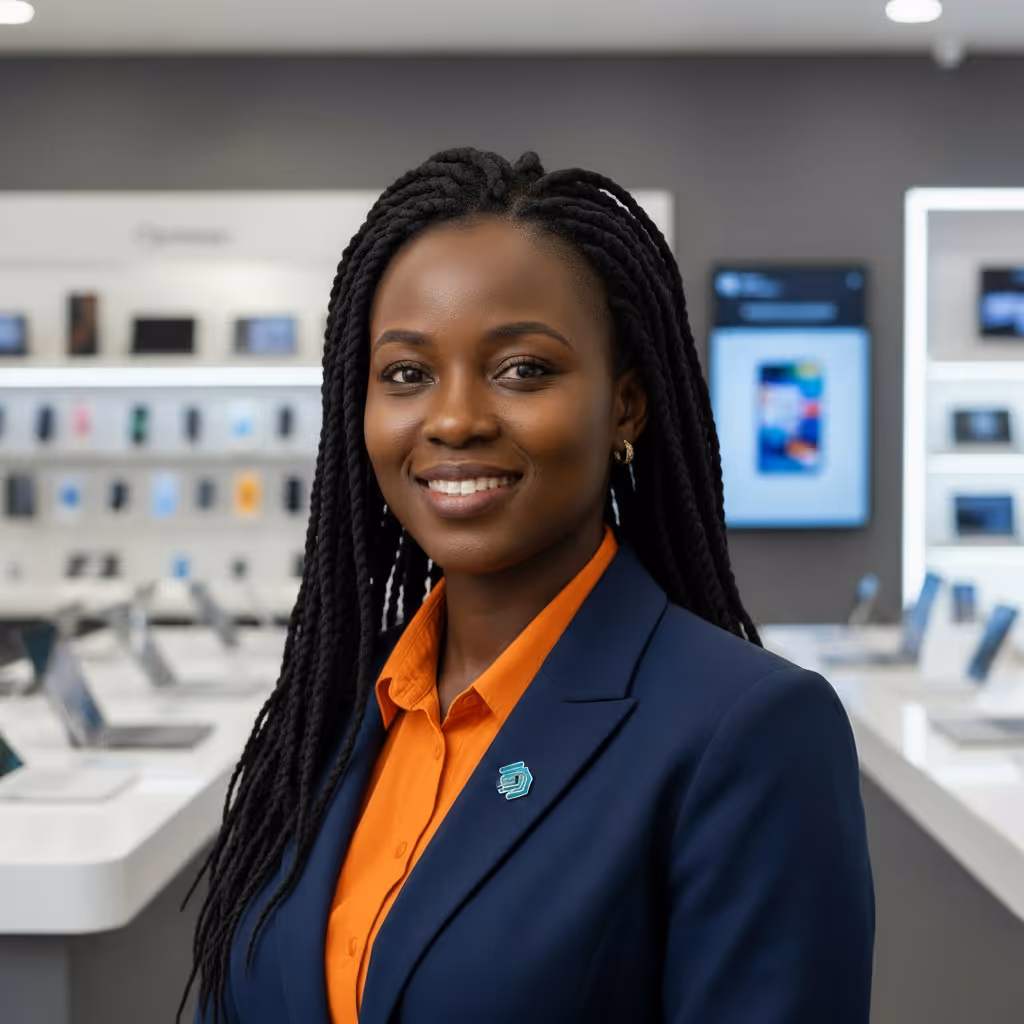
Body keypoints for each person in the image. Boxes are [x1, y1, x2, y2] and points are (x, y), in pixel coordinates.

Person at [185, 148, 874, 1024]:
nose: (454, 418)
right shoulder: (330, 717)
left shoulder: (749, 734)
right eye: (406, 374)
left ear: (625, 407)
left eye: (523, 370)